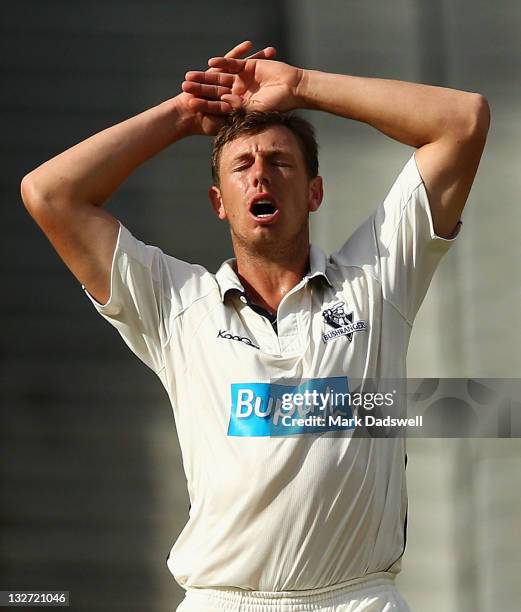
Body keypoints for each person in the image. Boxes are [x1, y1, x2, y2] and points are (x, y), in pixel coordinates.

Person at [21, 40, 489, 611]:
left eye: (280, 162)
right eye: (242, 166)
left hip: (357, 599)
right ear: (220, 202)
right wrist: (182, 115)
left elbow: (462, 121)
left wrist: (302, 86)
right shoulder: (177, 304)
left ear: (315, 192)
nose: (261, 176)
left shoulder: (376, 278)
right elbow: (50, 194)